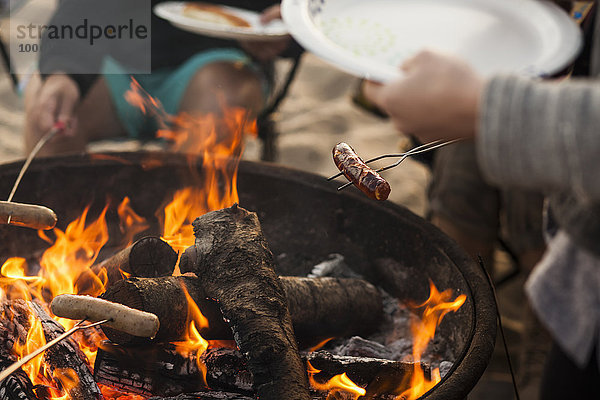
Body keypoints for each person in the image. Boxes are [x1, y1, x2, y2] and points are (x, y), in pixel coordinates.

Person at [363, 7, 600, 400]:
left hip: (564, 141)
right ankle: (459, 339)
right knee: (459, 184)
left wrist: (489, 109)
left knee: (536, 211)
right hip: (513, 68)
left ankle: (535, 356)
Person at [23, 0, 302, 156]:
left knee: (222, 98)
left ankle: (185, 245)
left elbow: (318, 13)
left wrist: (292, 22)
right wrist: (64, 72)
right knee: (49, 108)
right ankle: (52, 248)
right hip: (117, 60)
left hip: (221, 59)